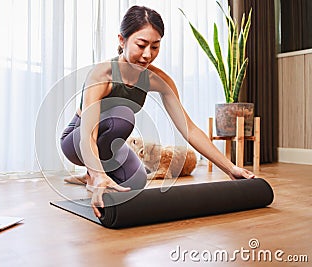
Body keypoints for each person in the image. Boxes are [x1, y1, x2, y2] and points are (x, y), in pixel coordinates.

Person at [60, 5, 255, 218]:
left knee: (137, 181)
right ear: (122, 40)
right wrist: (97, 174)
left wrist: (230, 168)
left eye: (155, 47)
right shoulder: (102, 75)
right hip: (77, 140)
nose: (147, 55)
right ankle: (92, 173)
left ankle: (94, 175)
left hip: (110, 147)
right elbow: (89, 133)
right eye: (141, 45)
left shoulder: (158, 80)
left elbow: (188, 128)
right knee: (123, 116)